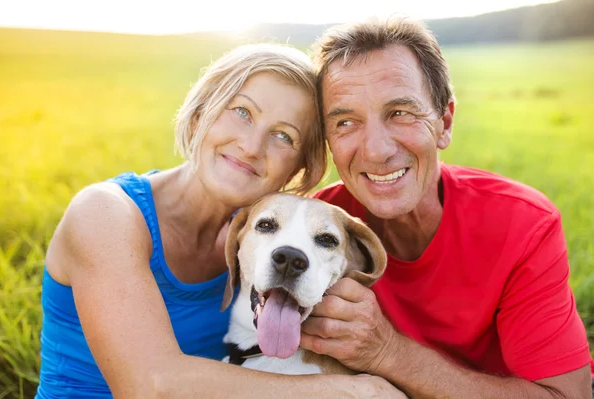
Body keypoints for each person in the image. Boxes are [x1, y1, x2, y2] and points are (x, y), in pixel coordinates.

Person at [36, 43, 405, 398]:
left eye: (283, 136)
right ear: (201, 113)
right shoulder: (103, 213)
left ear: (298, 168)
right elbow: (150, 388)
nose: (251, 146)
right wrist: (347, 393)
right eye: (242, 112)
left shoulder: (260, 235)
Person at [302, 17, 594, 398]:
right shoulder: (316, 227)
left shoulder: (522, 225)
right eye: (345, 122)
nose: (376, 149)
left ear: (444, 122)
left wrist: (388, 352)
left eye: (400, 113)